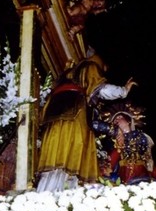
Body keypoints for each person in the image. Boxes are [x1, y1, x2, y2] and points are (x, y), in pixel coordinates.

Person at [36, 53, 136, 192]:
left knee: (54, 158)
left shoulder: (68, 73)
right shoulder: (89, 67)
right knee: (73, 155)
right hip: (73, 115)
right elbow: (101, 89)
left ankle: (45, 191)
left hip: (52, 117)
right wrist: (123, 90)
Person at [103, 105, 156, 185]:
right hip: (124, 178)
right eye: (115, 120)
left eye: (119, 117)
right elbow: (110, 163)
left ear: (128, 121)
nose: (116, 120)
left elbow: (149, 163)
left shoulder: (141, 137)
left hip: (141, 176)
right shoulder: (113, 141)